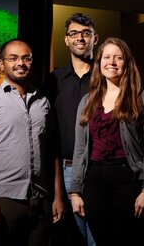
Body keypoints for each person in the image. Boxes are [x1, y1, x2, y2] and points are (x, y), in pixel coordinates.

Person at [0, 39, 65, 246]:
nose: (20, 63)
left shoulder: (43, 101)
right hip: (4, 200)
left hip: (41, 200)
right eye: (13, 58)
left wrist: (57, 197)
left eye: (26, 58)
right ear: (1, 64)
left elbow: (52, 153)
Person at [69, 37, 144, 246]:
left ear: (127, 63)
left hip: (128, 180)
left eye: (118, 58)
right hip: (94, 181)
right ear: (99, 61)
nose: (111, 62)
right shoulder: (87, 101)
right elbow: (80, 148)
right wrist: (75, 191)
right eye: (107, 57)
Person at [42, 13, 98, 246]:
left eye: (86, 33)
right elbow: (49, 133)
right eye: (74, 33)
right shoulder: (53, 80)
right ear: (66, 40)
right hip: (65, 170)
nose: (80, 38)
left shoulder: (106, 75)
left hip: (99, 168)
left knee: (98, 236)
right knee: (71, 238)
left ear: (95, 38)